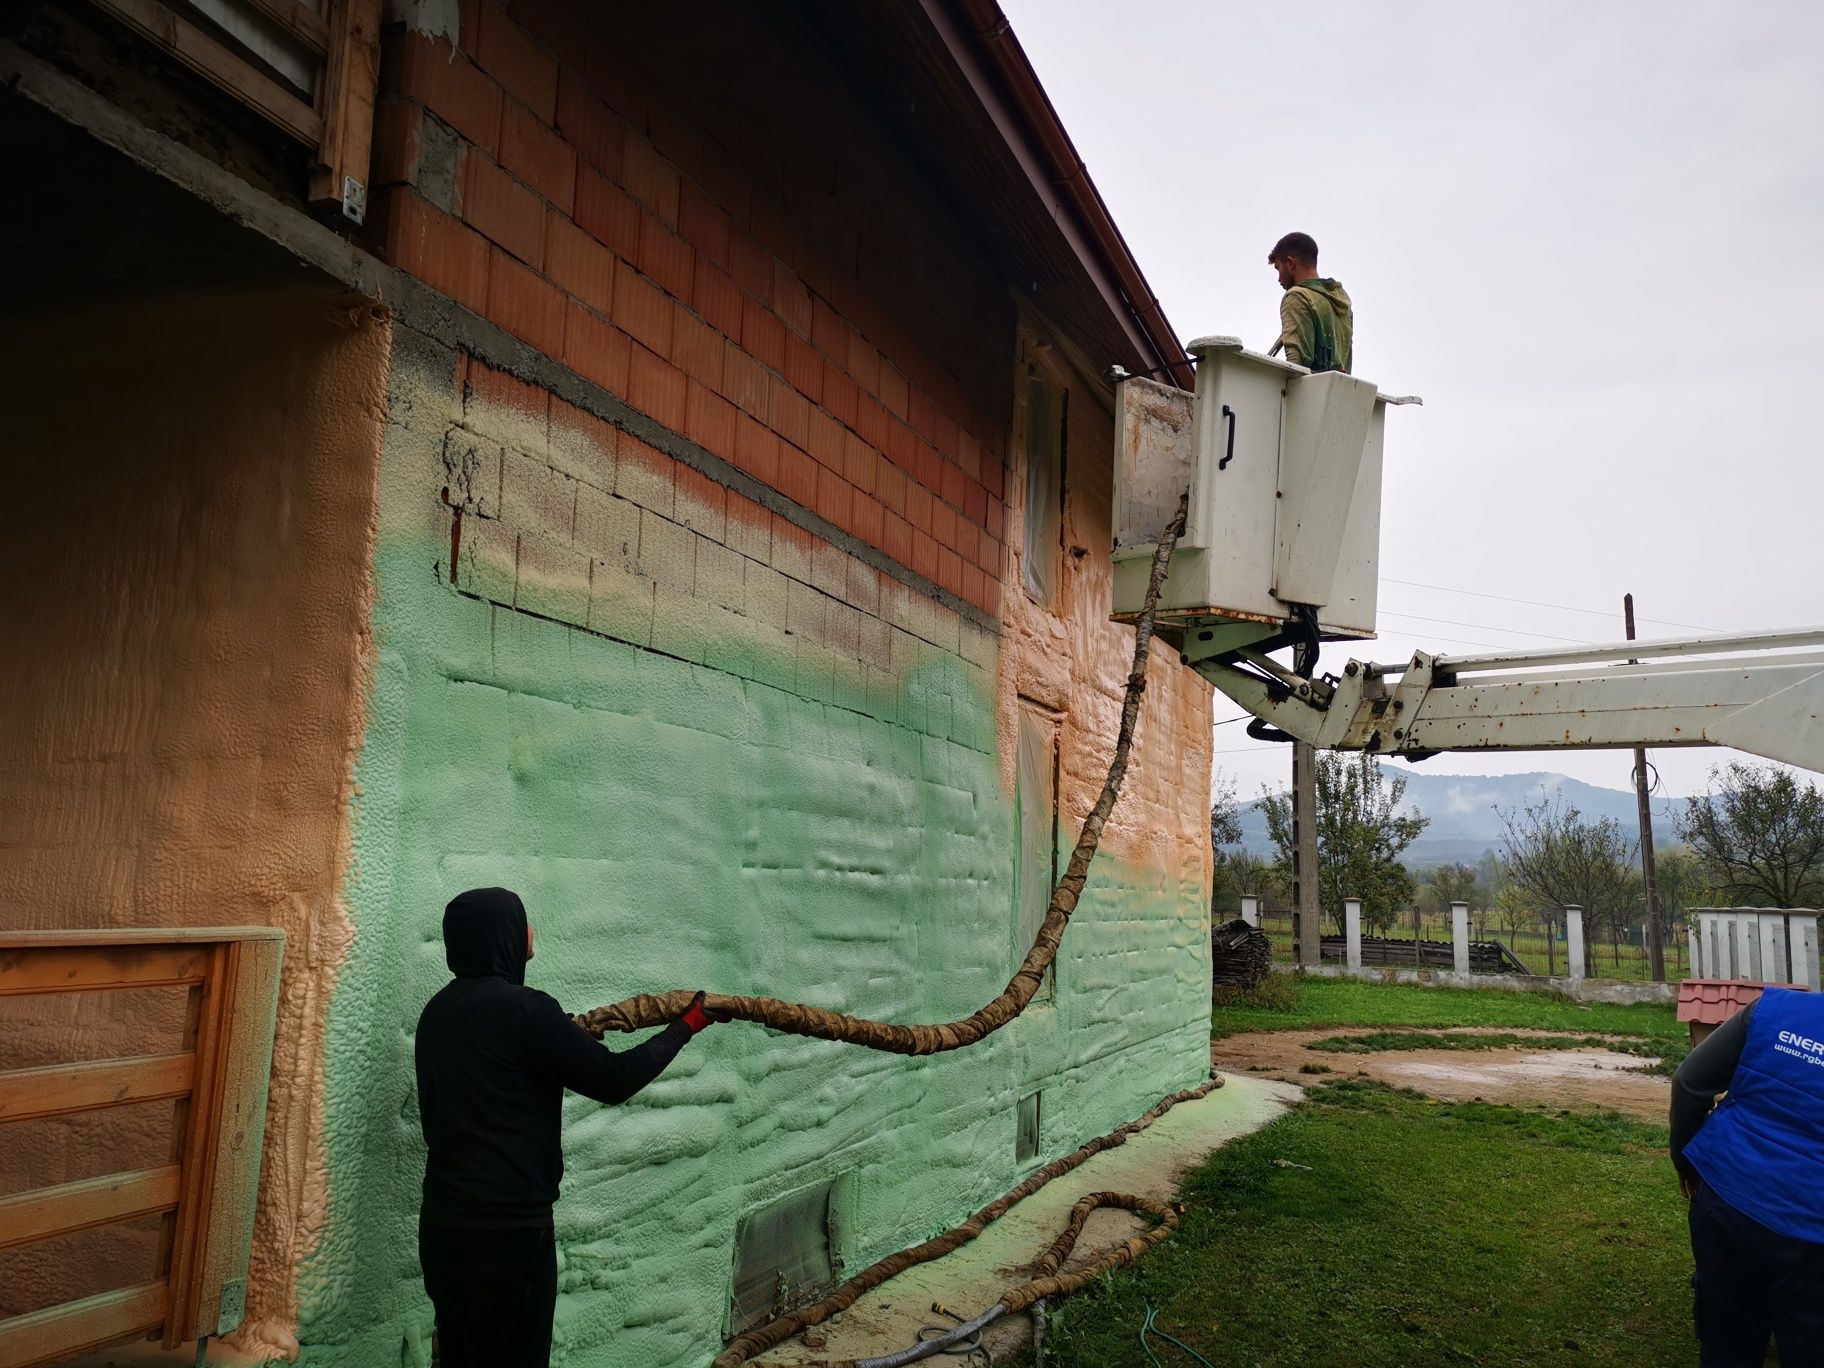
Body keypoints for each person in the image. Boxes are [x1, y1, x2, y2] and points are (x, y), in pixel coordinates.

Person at [414, 886, 729, 1368]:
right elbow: (615, 1079)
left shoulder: (436, 1014)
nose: (531, 932)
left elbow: (502, 1066)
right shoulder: (527, 1010)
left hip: (443, 1229)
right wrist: (687, 1025)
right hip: (509, 1237)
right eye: (524, 922)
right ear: (505, 936)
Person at [1670, 986, 1824, 1367]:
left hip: (1725, 1201)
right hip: (1810, 1233)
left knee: (1726, 1344)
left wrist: (1686, 1162)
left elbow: (1689, 1083)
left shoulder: (1773, 1010)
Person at [1267, 232, 1353, 374]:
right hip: (1340, 391)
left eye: (1278, 268)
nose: (1278, 279)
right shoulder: (1342, 300)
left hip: (1311, 392)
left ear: (1290, 263)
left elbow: (1295, 364)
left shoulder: (1296, 297)